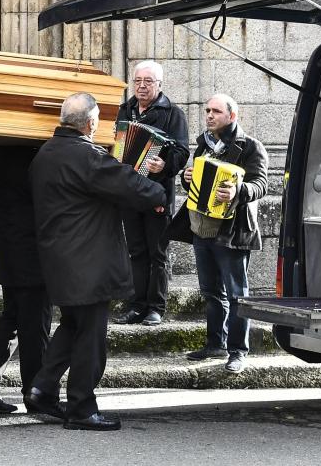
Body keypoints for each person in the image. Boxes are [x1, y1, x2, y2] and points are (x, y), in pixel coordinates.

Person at [26, 93, 166, 431]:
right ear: (90, 123)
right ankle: (81, 408)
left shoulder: (45, 153)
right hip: (86, 260)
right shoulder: (86, 155)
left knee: (72, 325)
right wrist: (159, 194)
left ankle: (42, 388)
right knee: (90, 336)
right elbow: (129, 184)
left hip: (59, 257)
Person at [171, 94, 269, 374]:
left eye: (215, 111)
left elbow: (261, 184)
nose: (209, 115)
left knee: (237, 294)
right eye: (207, 111)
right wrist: (186, 178)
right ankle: (216, 343)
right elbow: (197, 180)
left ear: (232, 116)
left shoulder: (251, 146)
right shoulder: (204, 144)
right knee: (211, 292)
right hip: (203, 227)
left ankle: (238, 351)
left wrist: (239, 190)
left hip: (233, 230)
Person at [0, 143, 50, 414]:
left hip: (8, 243)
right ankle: (37, 394)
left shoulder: (1, 146)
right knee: (34, 323)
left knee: (13, 317)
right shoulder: (27, 151)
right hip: (29, 248)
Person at [115, 60, 189, 327]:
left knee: (158, 253)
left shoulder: (173, 113)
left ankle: (156, 307)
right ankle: (136, 305)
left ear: (159, 84)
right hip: (130, 193)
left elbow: (181, 151)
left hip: (157, 194)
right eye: (138, 81)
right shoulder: (125, 111)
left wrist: (164, 165)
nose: (142, 86)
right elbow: (117, 145)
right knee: (136, 251)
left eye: (148, 81)